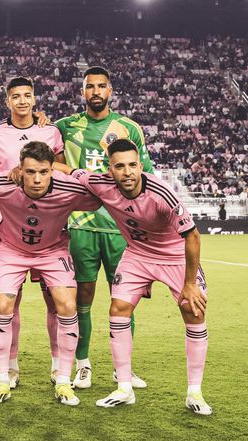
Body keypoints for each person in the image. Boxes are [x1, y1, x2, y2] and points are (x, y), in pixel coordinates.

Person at [55, 139, 211, 415]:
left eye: (131, 165)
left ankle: (194, 393)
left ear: (140, 166)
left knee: (194, 311)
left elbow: (193, 236)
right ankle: (124, 387)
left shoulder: (161, 193)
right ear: (110, 169)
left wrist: (189, 284)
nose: (126, 172)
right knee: (118, 309)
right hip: (138, 254)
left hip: (174, 256)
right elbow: (69, 170)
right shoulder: (100, 183)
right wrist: (38, 165)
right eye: (119, 167)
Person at [0, 141, 101, 406]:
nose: (37, 179)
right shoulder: (1, 184)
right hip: (11, 250)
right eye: (30, 172)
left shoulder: (68, 189)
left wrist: (74, 172)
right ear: (20, 170)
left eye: (44, 172)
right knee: (3, 304)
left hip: (53, 251)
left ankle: (64, 380)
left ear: (52, 170)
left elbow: (99, 193)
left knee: (67, 305)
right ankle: (2, 378)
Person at [55, 66, 153, 389]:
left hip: (120, 228)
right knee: (82, 296)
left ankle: (123, 369)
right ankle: (83, 365)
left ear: (110, 91)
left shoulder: (128, 128)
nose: (95, 91)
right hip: (80, 225)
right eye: (90, 86)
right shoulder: (65, 127)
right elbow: (45, 154)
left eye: (101, 86)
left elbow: (146, 175)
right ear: (82, 92)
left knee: (124, 298)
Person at [0, 76, 64, 388]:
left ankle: (57, 365)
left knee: (56, 302)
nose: (22, 101)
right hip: (9, 227)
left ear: (34, 99)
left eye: (27, 96)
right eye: (16, 96)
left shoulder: (50, 131)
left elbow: (62, 171)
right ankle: (10, 367)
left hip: (49, 227)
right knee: (10, 301)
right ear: (7, 101)